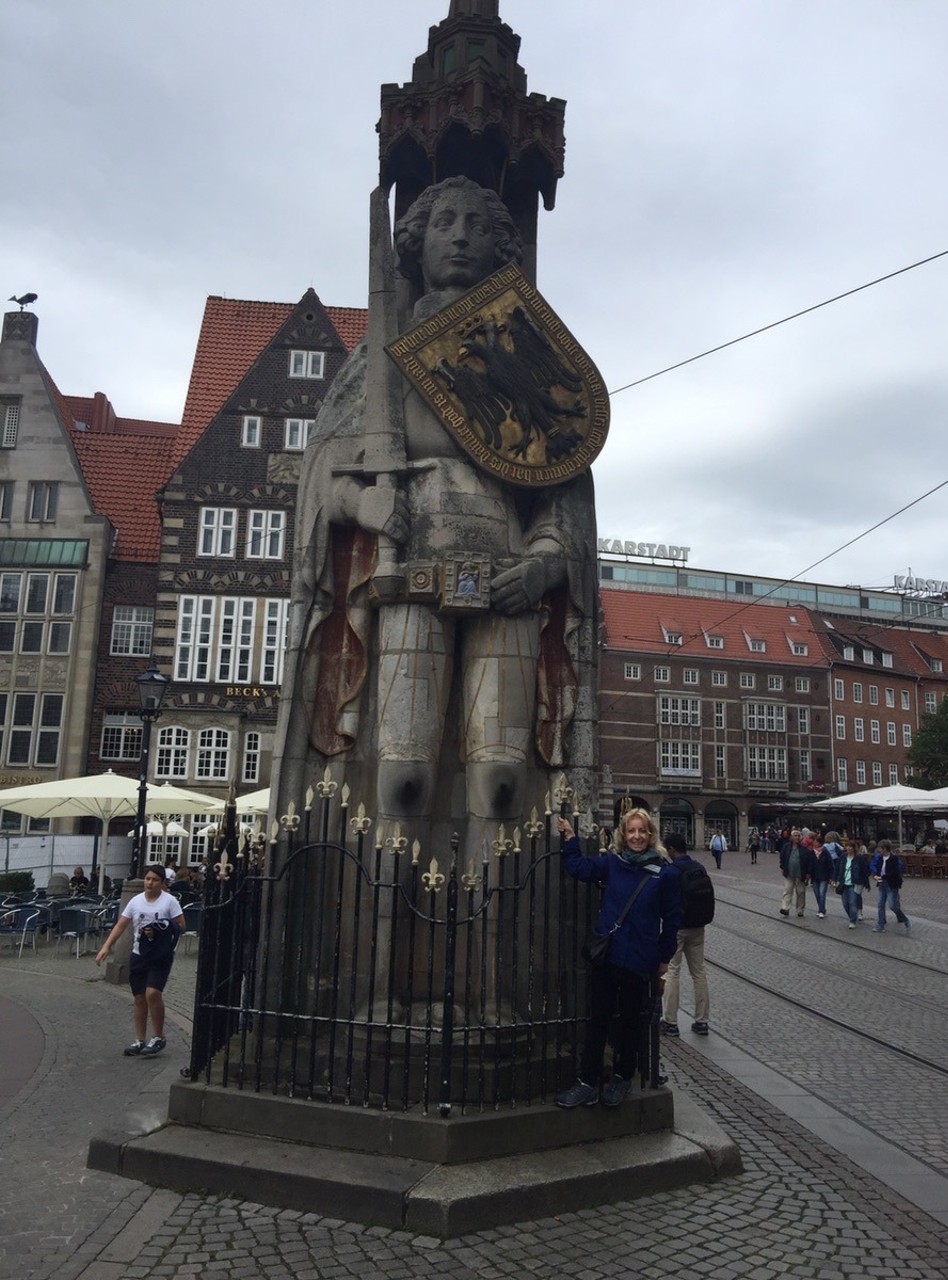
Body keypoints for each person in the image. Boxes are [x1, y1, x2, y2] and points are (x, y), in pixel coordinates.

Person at [274, 175, 598, 856]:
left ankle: (497, 934)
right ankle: (385, 917)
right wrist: (361, 502)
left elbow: (563, 487)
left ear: (500, 247)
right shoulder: (382, 357)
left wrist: (543, 566)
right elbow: (321, 474)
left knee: (504, 780)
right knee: (403, 777)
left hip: (506, 576)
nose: (459, 236)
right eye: (445, 221)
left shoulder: (526, 353)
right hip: (409, 574)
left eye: (477, 225)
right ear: (415, 242)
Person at [555, 809, 680, 1109]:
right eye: (631, 831)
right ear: (623, 835)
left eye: (642, 831)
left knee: (629, 1023)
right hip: (608, 957)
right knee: (597, 1020)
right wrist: (570, 839)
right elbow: (580, 868)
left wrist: (663, 959)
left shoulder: (665, 873)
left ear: (651, 835)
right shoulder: (613, 864)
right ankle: (587, 1082)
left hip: (640, 959)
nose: (636, 836)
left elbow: (673, 920)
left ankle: (622, 1077)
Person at [95, 864, 185, 1057]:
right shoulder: (136, 902)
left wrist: (161, 928)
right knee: (139, 997)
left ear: (162, 883)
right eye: (147, 879)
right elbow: (121, 925)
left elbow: (181, 926)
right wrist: (106, 946)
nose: (150, 883)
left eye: (154, 880)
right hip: (139, 953)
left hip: (160, 955)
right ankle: (140, 1039)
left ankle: (159, 1036)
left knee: (152, 993)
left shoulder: (169, 902)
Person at [660, 832, 711, 1037]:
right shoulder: (699, 867)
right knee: (699, 973)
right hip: (698, 927)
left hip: (678, 929)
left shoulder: (672, 870)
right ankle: (702, 1021)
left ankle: (670, 1022)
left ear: (672, 849)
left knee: (672, 971)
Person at [869, 840, 911, 934]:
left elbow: (894, 872)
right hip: (882, 884)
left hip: (891, 884)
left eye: (880, 849)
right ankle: (881, 925)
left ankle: (905, 919)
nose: (879, 852)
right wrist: (876, 875)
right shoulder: (880, 858)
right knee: (880, 904)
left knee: (893, 906)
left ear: (885, 849)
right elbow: (877, 868)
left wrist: (882, 877)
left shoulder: (894, 859)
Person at [778, 828, 815, 918]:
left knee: (801, 892)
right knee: (788, 890)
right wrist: (783, 867)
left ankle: (800, 910)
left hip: (800, 874)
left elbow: (808, 861)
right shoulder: (786, 847)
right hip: (789, 873)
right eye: (795, 836)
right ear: (791, 837)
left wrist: (808, 873)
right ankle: (785, 908)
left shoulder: (804, 849)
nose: (797, 837)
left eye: (798, 836)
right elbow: (782, 858)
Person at [837, 839, 871, 928]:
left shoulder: (859, 858)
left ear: (854, 848)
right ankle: (853, 916)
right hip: (844, 883)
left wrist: (866, 884)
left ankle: (852, 920)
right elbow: (837, 869)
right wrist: (834, 878)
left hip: (855, 883)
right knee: (845, 903)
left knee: (852, 902)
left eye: (851, 847)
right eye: (847, 846)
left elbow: (865, 872)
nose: (849, 848)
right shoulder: (843, 857)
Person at [810, 835, 834, 919]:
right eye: (814, 842)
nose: (814, 843)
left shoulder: (825, 852)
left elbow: (830, 864)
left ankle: (821, 911)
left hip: (824, 876)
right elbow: (810, 864)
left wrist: (831, 876)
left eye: (816, 842)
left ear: (820, 843)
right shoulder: (812, 852)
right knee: (817, 894)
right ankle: (822, 908)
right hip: (815, 876)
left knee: (821, 893)